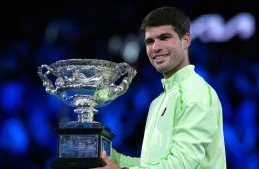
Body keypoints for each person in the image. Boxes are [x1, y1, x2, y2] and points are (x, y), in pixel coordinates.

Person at [92, 6, 226, 169]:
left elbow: (181, 164)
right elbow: (150, 165)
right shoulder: (158, 101)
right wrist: (112, 157)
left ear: (186, 40)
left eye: (164, 37)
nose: (156, 47)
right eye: (150, 41)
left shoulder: (196, 93)